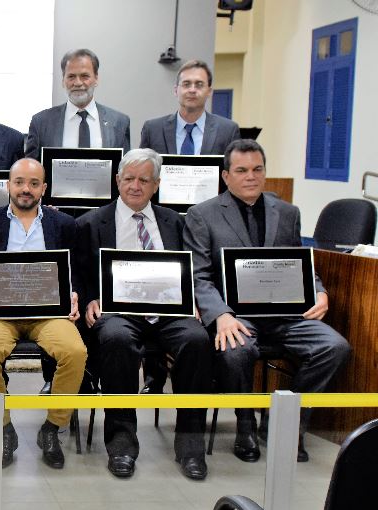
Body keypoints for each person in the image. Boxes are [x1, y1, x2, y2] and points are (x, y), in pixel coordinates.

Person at [183, 139, 350, 462]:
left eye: (257, 169)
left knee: (335, 347)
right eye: (242, 170)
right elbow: (198, 276)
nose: (251, 177)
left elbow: (301, 264)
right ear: (225, 176)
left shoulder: (287, 212)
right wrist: (220, 315)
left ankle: (284, 425)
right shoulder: (202, 215)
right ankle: (245, 424)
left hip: (288, 314)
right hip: (236, 316)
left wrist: (320, 291)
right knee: (234, 351)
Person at [77, 148, 212, 480]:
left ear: (157, 185)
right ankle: (122, 443)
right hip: (117, 311)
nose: (135, 186)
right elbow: (78, 274)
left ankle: (190, 445)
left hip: (169, 310)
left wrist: (192, 299)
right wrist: (91, 298)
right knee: (116, 338)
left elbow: (193, 270)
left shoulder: (176, 223)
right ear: (117, 180)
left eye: (144, 180)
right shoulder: (91, 223)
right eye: (129, 179)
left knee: (197, 339)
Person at [0, 158, 87, 469]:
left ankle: (52, 427)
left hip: (48, 314)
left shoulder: (63, 224)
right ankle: (4, 428)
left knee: (75, 351)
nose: (26, 189)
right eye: (19, 182)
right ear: (8, 185)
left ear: (44, 188)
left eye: (34, 183)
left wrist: (75, 294)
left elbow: (77, 272)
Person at [26, 48, 131, 160]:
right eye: (71, 77)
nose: (78, 83)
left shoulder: (119, 122)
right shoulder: (41, 123)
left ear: (96, 78)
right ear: (63, 80)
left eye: (84, 76)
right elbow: (30, 171)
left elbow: (125, 171)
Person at [139, 60, 241, 155]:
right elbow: (141, 170)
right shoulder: (152, 129)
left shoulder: (228, 131)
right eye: (186, 84)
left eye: (199, 84)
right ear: (176, 90)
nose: (192, 90)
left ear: (209, 92)